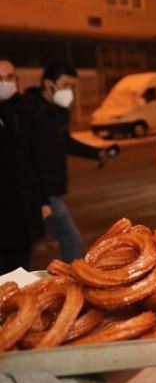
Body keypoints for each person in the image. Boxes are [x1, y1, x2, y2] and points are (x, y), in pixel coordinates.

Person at [24, 62, 119, 263]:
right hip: (37, 191)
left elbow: (65, 142)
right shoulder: (29, 111)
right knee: (70, 238)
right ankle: (70, 284)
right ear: (48, 84)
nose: (69, 91)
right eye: (66, 85)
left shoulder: (59, 112)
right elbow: (25, 155)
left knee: (25, 243)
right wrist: (41, 197)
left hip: (51, 191)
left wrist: (96, 153)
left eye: (72, 86)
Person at [0, 57, 49, 273]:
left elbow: (35, 158)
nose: (5, 83)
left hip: (21, 212)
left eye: (9, 77)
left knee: (19, 273)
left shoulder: (23, 110)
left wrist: (43, 199)